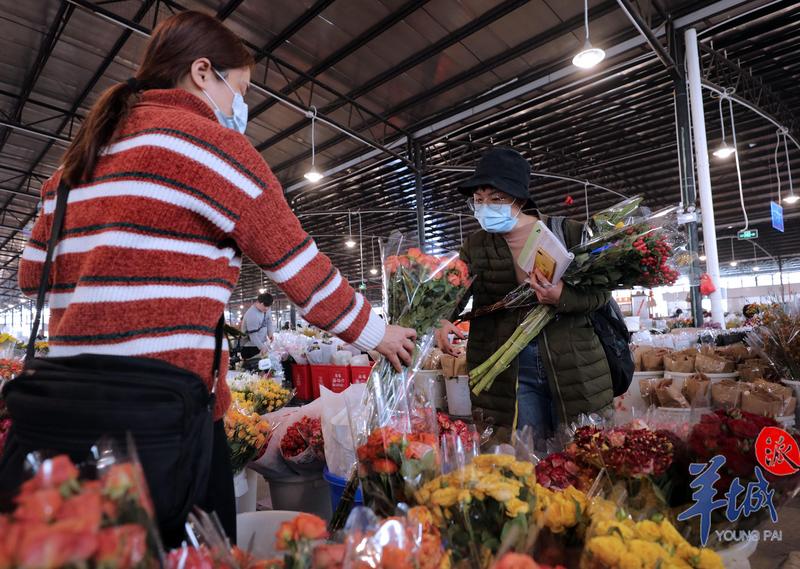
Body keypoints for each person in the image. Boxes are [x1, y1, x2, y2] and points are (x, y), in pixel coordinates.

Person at [9, 11, 416, 543]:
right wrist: (378, 333)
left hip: (65, 410)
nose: (236, 107)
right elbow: (297, 266)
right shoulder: (213, 149)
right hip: (163, 414)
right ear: (203, 72)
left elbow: (31, 276)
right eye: (238, 90)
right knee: (188, 551)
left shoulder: (72, 165)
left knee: (83, 549)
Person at [436, 147, 612, 438]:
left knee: (583, 452)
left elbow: (601, 294)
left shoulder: (568, 233)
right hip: (506, 368)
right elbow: (454, 288)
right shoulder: (476, 244)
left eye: (496, 199)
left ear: (518, 199)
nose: (485, 207)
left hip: (572, 362)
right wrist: (441, 318)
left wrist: (561, 296)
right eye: (479, 200)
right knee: (522, 456)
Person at [240, 292, 274, 359]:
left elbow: (269, 321)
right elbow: (253, 336)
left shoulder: (267, 308)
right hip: (251, 347)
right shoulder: (252, 314)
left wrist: (270, 333)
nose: (266, 309)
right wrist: (262, 347)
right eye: (265, 306)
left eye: (269, 306)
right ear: (259, 302)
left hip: (261, 344)